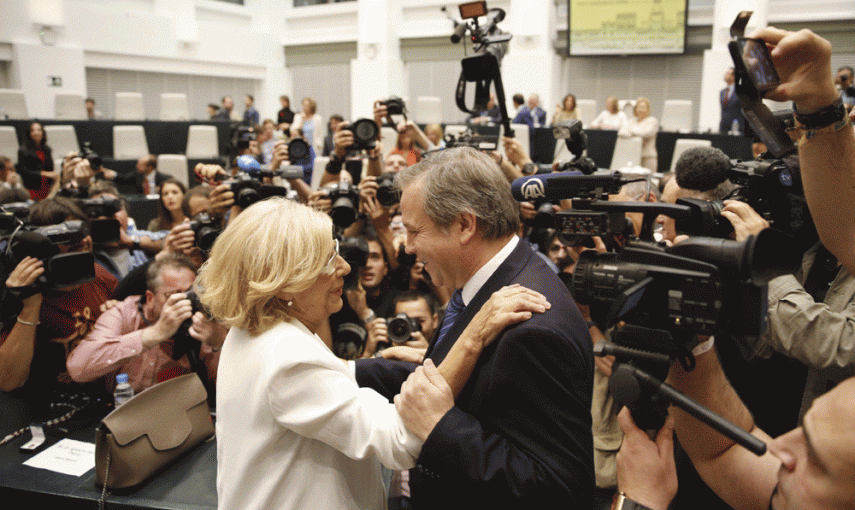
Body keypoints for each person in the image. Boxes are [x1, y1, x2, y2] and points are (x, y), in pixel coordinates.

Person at [200, 197, 549, 510]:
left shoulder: (249, 332)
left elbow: (315, 386)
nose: (345, 268)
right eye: (325, 261)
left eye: (335, 250)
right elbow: (401, 440)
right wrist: (473, 337)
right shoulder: (287, 357)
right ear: (282, 281)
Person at [357, 147, 595, 509]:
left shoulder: (532, 329)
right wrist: (339, 370)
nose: (406, 247)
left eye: (415, 231)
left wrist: (440, 425)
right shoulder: (488, 283)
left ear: (465, 225)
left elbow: (558, 488)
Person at [0, 197, 117, 394]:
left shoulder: (100, 275)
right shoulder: (23, 294)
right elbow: (8, 381)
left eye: (82, 230)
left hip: (105, 396)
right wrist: (30, 306)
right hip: (53, 408)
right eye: (68, 235)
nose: (83, 240)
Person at [66, 254, 224, 393]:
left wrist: (217, 344)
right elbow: (78, 369)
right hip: (122, 412)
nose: (184, 302)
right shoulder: (124, 313)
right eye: (173, 295)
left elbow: (225, 389)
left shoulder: (203, 319)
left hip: (178, 414)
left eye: (189, 294)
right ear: (150, 298)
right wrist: (156, 333)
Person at [17, 122, 57, 201]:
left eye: (39, 130)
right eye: (33, 130)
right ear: (29, 133)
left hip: (47, 185)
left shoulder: (47, 149)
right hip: (33, 186)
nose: (36, 133)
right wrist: (43, 173)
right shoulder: (23, 150)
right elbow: (23, 172)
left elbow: (50, 168)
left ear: (42, 133)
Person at [618, 97, 659, 172]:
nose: (641, 110)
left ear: (647, 109)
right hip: (633, 155)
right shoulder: (632, 121)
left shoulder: (652, 121)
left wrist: (631, 133)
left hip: (647, 156)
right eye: (639, 107)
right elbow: (621, 132)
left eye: (643, 107)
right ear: (635, 109)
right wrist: (638, 135)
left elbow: (646, 133)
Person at [719, 67, 745, 134]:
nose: (725, 75)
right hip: (723, 128)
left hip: (736, 128)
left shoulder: (740, 91)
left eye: (728, 73)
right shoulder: (722, 92)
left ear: (734, 76)